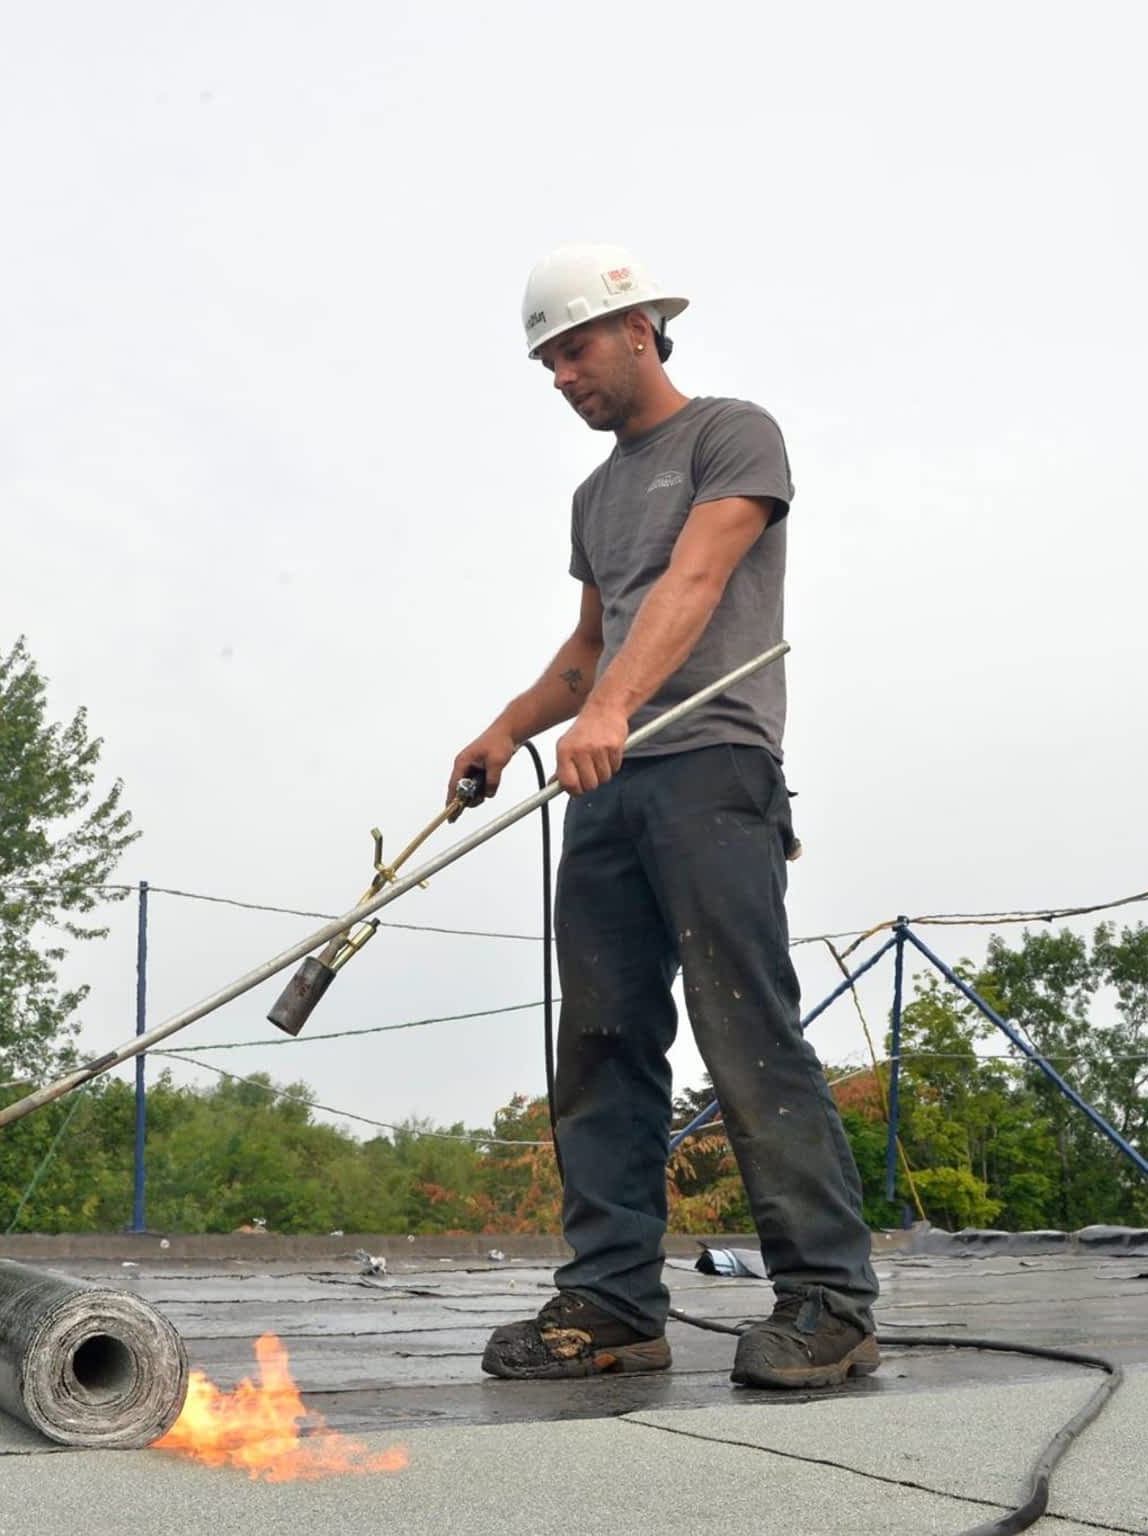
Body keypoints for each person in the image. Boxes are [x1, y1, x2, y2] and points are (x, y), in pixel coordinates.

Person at [447, 244, 880, 1390]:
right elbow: (589, 650)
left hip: (709, 767)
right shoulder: (593, 497)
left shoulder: (732, 434)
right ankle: (612, 1303)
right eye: (543, 362)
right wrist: (507, 728)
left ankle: (828, 1299)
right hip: (604, 781)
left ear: (636, 329)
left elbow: (692, 583)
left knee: (745, 1027)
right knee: (597, 1043)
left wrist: (616, 710)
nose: (558, 376)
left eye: (571, 350)